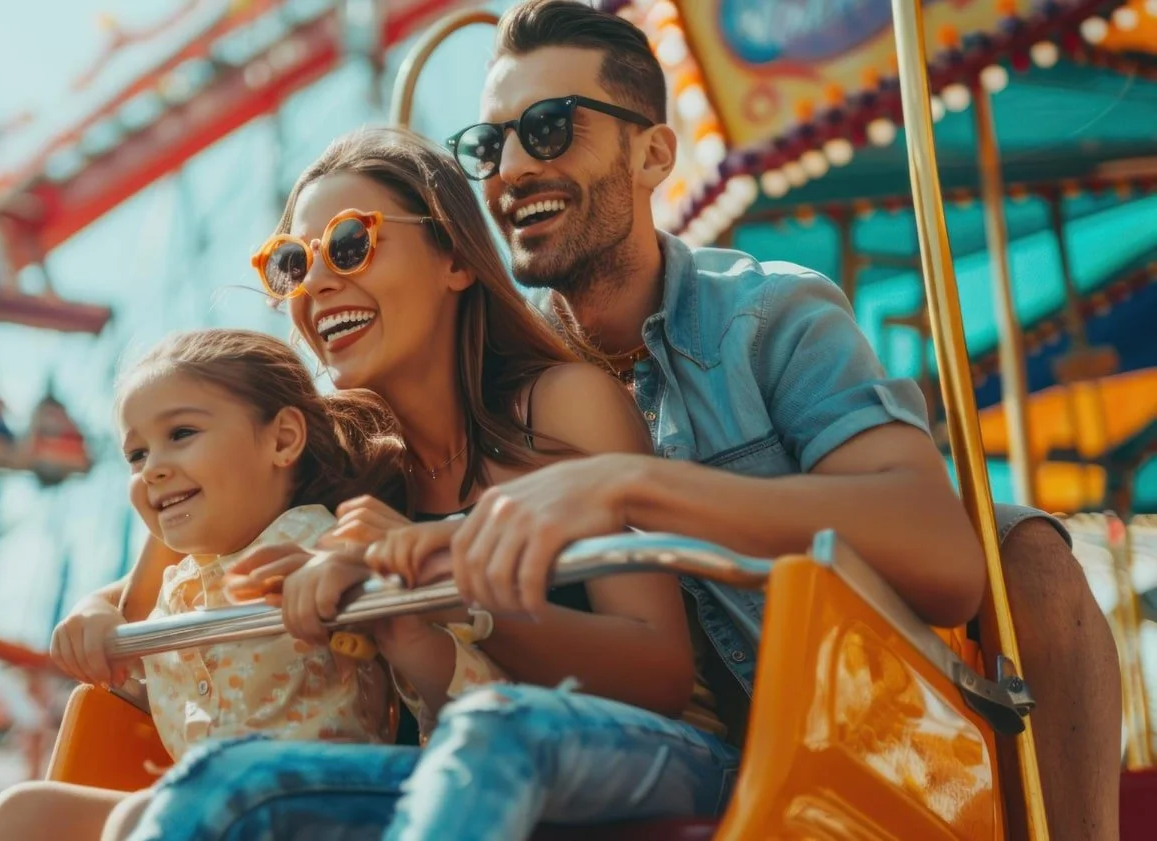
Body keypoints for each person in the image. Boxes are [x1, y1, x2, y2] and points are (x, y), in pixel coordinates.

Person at [421, 2, 1115, 839]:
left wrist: (633, 484)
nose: (512, 168)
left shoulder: (763, 313)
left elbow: (942, 556)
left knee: (1024, 548)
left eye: (550, 127)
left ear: (653, 153)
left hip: (829, 740)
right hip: (630, 749)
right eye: (489, 145)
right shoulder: (500, 380)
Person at [109, 126, 736, 840]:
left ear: (456, 261)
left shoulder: (560, 407)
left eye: (350, 244)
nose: (314, 283)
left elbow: (656, 673)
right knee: (230, 779)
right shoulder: (352, 472)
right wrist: (108, 612)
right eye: (291, 264)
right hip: (463, 768)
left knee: (489, 729)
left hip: (651, 753)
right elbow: (212, 535)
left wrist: (444, 585)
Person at [0, 329, 421, 840]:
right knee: (23, 813)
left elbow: (363, 565)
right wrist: (94, 609)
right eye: (137, 455)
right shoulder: (182, 580)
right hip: (204, 807)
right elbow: (126, 604)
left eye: (181, 434)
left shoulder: (319, 541)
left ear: (282, 440)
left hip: (328, 811)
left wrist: (342, 574)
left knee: (138, 817)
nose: (154, 469)